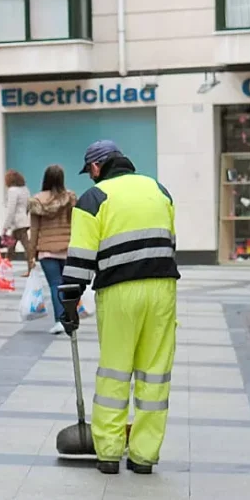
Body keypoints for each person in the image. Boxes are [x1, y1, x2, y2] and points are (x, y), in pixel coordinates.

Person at [61, 139, 180, 476]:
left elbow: (81, 256)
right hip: (163, 289)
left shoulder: (94, 198)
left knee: (115, 371)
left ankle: (109, 453)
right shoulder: (159, 190)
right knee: (155, 374)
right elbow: (170, 242)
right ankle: (144, 456)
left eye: (90, 171)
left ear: (96, 167)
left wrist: (69, 302)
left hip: (119, 291)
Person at [27, 165, 77, 335]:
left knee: (56, 285)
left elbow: (34, 230)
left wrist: (31, 256)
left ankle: (60, 321)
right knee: (68, 285)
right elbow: (75, 223)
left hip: (46, 251)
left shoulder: (37, 201)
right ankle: (70, 317)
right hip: (68, 248)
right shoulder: (70, 198)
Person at [2, 170, 31, 269]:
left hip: (17, 222)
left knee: (25, 245)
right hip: (24, 220)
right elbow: (28, 206)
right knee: (12, 245)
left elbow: (11, 210)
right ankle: (6, 263)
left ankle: (30, 262)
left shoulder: (12, 191)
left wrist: (6, 226)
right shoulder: (25, 190)